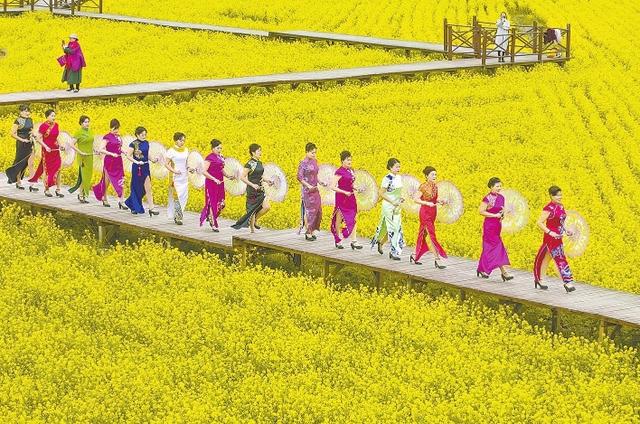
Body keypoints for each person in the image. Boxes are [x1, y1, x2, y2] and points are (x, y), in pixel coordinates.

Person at [533, 186, 576, 292]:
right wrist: (550, 232)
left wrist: (566, 230)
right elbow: (539, 222)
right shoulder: (548, 208)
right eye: (557, 195)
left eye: (561, 195)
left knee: (546, 258)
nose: (560, 197)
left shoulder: (561, 206)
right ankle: (567, 282)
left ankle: (540, 279)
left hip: (558, 236)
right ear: (551, 196)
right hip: (551, 238)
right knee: (560, 258)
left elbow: (561, 222)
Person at [477, 177, 513, 281]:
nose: (499, 188)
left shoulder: (502, 197)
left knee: (488, 248)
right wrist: (494, 215)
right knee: (497, 247)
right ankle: (504, 272)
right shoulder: (487, 198)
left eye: (500, 186)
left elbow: (500, 212)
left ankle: (481, 269)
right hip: (489, 226)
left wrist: (503, 214)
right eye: (497, 186)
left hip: (497, 226)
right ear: (491, 187)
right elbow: (481, 211)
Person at [410, 166, 447, 268]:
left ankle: (414, 255)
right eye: (432, 174)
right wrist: (426, 203)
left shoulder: (435, 186)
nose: (435, 176)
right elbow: (416, 199)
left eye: (435, 174)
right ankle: (437, 259)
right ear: (427, 176)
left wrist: (440, 201)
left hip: (432, 213)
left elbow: (434, 199)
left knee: (423, 234)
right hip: (425, 213)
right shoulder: (423, 186)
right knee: (431, 235)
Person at [370, 158, 405, 260]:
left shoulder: (399, 177)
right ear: (390, 167)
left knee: (396, 228)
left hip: (397, 206)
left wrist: (400, 198)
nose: (398, 168)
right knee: (392, 228)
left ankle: (381, 242)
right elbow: (381, 193)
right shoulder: (387, 178)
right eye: (396, 167)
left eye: (399, 166)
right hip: (388, 206)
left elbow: (398, 192)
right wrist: (392, 201)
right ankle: (393, 252)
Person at [232, 143, 271, 232]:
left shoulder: (259, 163)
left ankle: (255, 220)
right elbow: (242, 177)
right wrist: (252, 185)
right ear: (253, 152)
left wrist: (267, 180)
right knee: (252, 209)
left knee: (267, 207)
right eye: (258, 151)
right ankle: (252, 231)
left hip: (260, 189)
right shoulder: (249, 164)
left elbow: (260, 176)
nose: (260, 152)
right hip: (252, 190)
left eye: (261, 150)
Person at [93, 119, 128, 209]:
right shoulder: (107, 137)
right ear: (110, 127)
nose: (116, 130)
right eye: (114, 128)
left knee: (121, 180)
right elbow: (101, 149)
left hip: (118, 161)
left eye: (117, 128)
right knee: (107, 181)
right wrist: (111, 154)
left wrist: (124, 151)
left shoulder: (118, 137)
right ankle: (104, 197)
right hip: (110, 162)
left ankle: (121, 201)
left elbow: (119, 148)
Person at [200, 139, 234, 231]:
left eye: (220, 148)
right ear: (213, 148)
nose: (219, 150)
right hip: (211, 183)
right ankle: (214, 223)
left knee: (222, 203)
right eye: (218, 148)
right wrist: (214, 179)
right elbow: (204, 171)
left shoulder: (220, 157)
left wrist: (228, 176)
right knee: (213, 202)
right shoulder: (209, 157)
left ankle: (211, 216)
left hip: (220, 182)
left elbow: (221, 169)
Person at [124, 126, 160, 216]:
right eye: (142, 135)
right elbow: (128, 155)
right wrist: (136, 162)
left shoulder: (146, 143)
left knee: (148, 188)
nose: (144, 136)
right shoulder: (133, 144)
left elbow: (147, 154)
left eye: (145, 134)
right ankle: (132, 204)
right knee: (137, 187)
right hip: (137, 168)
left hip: (146, 167)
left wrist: (153, 159)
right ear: (137, 135)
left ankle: (151, 208)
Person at [330, 150, 362, 250]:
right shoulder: (339, 172)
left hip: (351, 197)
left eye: (350, 160)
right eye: (348, 160)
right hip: (342, 198)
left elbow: (351, 183)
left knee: (353, 218)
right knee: (339, 219)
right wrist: (344, 192)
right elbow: (332, 186)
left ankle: (354, 241)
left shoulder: (351, 170)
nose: (350, 162)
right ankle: (338, 240)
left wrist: (356, 188)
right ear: (342, 161)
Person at [28, 109, 63, 198]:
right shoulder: (43, 126)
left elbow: (56, 137)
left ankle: (58, 189)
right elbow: (38, 139)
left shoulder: (56, 125)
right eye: (52, 116)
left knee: (58, 169)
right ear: (47, 116)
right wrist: (46, 147)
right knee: (47, 170)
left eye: (54, 116)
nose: (54, 117)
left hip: (55, 150)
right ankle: (47, 189)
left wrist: (60, 145)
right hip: (47, 151)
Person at [6, 104, 38, 192]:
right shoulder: (18, 121)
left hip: (30, 143)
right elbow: (12, 134)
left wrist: (33, 135)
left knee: (31, 164)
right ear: (20, 112)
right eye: (25, 111)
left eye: (28, 111)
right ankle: (18, 181)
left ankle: (32, 183)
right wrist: (22, 140)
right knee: (20, 163)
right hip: (21, 144)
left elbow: (32, 130)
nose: (27, 113)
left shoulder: (30, 120)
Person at [297, 142, 322, 241]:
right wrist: (308, 186)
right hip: (307, 191)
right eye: (312, 152)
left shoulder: (315, 161)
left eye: (315, 152)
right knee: (309, 211)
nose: (314, 154)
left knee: (317, 211)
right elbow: (299, 177)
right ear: (307, 152)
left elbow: (315, 175)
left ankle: (312, 230)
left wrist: (320, 181)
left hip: (315, 189)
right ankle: (308, 233)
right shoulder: (303, 163)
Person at [164, 132, 189, 225]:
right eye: (180, 140)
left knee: (184, 196)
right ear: (175, 140)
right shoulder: (171, 151)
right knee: (177, 196)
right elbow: (166, 164)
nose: (182, 142)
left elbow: (187, 163)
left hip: (184, 177)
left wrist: (190, 168)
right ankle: (178, 217)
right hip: (175, 177)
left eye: (183, 140)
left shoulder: (186, 150)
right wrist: (174, 171)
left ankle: (178, 214)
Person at [68, 115, 94, 203]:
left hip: (90, 156)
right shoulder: (78, 132)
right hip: (83, 157)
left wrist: (95, 150)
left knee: (88, 176)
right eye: (85, 122)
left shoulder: (90, 131)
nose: (87, 123)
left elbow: (90, 143)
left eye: (88, 122)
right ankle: (81, 195)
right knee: (84, 176)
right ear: (81, 123)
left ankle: (82, 194)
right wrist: (80, 152)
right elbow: (71, 144)